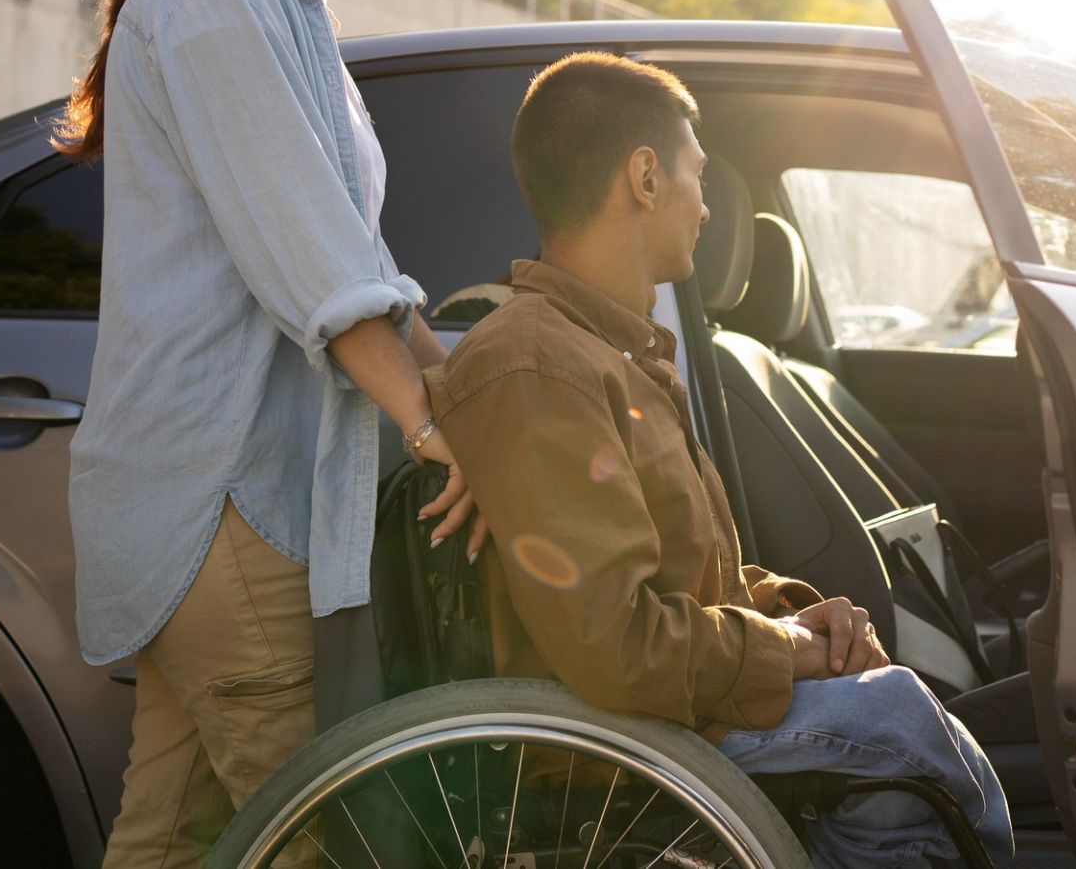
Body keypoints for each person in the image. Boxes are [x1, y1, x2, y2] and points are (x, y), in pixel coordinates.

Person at [423, 52, 1014, 867]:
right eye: (698, 175)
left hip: (683, 703)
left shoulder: (615, 354)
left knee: (897, 704)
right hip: (619, 743)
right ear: (644, 178)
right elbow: (618, 648)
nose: (707, 206)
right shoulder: (537, 366)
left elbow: (691, 582)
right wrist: (792, 652)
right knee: (902, 728)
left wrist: (803, 616)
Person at [53, 0, 478, 865]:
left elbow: (360, 262)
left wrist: (473, 390)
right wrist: (433, 428)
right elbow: (319, 271)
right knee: (318, 841)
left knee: (173, 837)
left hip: (217, 506)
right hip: (225, 500)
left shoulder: (277, 4)